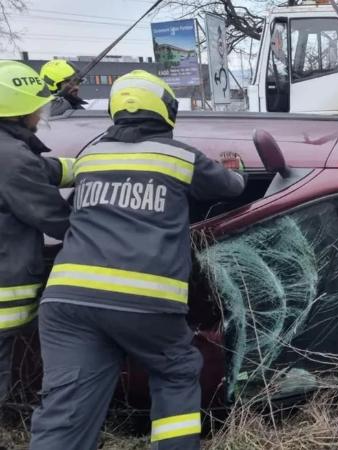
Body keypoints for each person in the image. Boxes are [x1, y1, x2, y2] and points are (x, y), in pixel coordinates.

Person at [30, 70, 246, 450]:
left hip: (67, 300)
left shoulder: (90, 157)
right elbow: (231, 188)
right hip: (145, 301)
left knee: (67, 406)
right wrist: (236, 169)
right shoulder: (180, 157)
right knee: (176, 372)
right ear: (167, 111)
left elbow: (64, 185)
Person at [0, 61, 73, 407]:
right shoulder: (12, 157)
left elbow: (43, 168)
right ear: (20, 111)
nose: (41, 114)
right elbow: (54, 217)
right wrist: (101, 233)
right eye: (37, 107)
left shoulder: (10, 150)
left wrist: (89, 166)